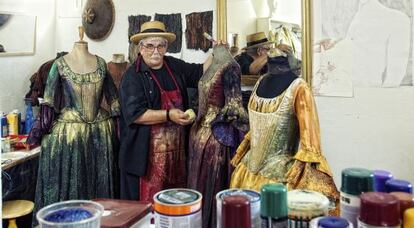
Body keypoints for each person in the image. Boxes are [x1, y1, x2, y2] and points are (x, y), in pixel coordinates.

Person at [230, 48, 340, 215]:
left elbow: (310, 143)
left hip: (277, 181)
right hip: (246, 172)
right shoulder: (260, 82)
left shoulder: (299, 88)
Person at [118, 21, 215, 201]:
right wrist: (169, 115)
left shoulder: (174, 66)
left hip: (176, 157)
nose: (156, 51)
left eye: (161, 45)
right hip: (145, 159)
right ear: (140, 47)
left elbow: (201, 71)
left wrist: (216, 51)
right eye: (150, 46)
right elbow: (136, 115)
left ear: (166, 46)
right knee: (147, 212)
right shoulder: (133, 76)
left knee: (174, 204)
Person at [29, 28, 119, 221]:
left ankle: (100, 222)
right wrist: (40, 130)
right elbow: (49, 101)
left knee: (98, 183)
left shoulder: (102, 64)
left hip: (101, 132)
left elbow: (113, 99)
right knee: (73, 184)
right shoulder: (59, 65)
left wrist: (124, 128)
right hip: (70, 134)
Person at [188, 44, 248, 228]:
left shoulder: (226, 66)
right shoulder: (221, 64)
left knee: (209, 186)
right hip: (207, 136)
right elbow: (230, 107)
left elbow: (232, 107)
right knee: (203, 186)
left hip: (209, 136)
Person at [314, 0, 410, 88]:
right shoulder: (357, 16)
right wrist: (335, 45)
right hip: (343, 88)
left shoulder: (397, 19)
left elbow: (395, 74)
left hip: (368, 91)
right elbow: (355, 49)